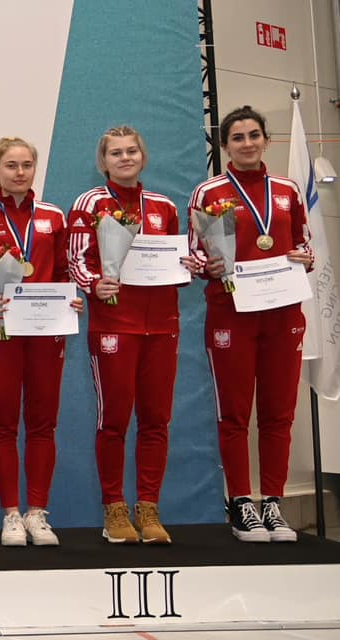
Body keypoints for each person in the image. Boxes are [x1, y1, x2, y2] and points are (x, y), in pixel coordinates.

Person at [188, 105, 314, 543]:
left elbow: (303, 244)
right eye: (237, 137)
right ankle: (241, 502)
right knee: (235, 413)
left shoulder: (287, 189)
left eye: (254, 135)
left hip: (284, 315)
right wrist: (210, 265)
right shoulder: (209, 192)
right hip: (231, 314)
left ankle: (273, 504)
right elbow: (195, 253)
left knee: (279, 413)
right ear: (225, 146)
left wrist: (305, 258)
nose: (247, 143)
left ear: (266, 140)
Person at [0, 136, 82, 546]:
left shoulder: (52, 217)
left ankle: (37, 513)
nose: (20, 172)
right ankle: (11, 514)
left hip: (46, 333)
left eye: (27, 164)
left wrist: (73, 300)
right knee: (4, 423)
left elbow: (68, 269)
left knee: (43, 423)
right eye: (11, 165)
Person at [67, 126, 180, 544]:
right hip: (114, 325)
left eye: (132, 151)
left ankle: (148, 508)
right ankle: (113, 509)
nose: (125, 158)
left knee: (156, 420)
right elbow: (75, 259)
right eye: (116, 153)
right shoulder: (90, 203)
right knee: (113, 420)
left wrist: (184, 264)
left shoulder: (164, 206)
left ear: (144, 157)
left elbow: (173, 260)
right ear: (104, 161)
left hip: (163, 325)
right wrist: (94, 283)